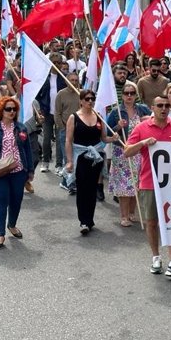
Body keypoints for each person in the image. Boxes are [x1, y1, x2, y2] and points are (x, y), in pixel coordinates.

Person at [124, 94, 171, 278]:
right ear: (152, 108)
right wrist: (143, 142)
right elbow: (127, 151)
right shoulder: (142, 127)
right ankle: (155, 257)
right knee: (151, 222)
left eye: (166, 105)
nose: (163, 108)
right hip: (149, 182)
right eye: (159, 105)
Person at [0, 97, 34, 249]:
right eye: (8, 109)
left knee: (16, 200)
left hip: (18, 171)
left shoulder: (21, 128)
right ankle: (0, 234)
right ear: (1, 111)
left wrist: (30, 171)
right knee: (1, 200)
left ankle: (12, 225)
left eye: (14, 109)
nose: (11, 112)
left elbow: (28, 150)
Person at [64, 89, 118, 235]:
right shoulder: (73, 117)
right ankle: (83, 221)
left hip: (96, 158)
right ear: (81, 101)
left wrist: (112, 138)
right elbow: (68, 140)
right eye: (87, 99)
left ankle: (90, 219)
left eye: (92, 99)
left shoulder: (99, 117)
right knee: (82, 189)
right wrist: (69, 161)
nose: (90, 101)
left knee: (92, 188)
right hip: (81, 157)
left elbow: (103, 138)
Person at [107, 82, 150, 227]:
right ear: (122, 95)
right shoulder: (116, 111)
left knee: (136, 185)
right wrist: (118, 126)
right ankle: (124, 216)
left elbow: (153, 123)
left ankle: (132, 213)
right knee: (124, 186)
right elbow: (107, 133)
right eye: (126, 93)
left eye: (132, 93)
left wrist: (148, 120)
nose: (129, 96)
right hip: (122, 153)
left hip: (139, 152)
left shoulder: (143, 109)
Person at [35, 53, 67, 172]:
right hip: (46, 112)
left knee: (60, 138)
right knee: (46, 138)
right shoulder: (43, 77)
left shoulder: (64, 78)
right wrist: (39, 110)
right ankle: (45, 161)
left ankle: (59, 164)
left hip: (60, 113)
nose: (57, 65)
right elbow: (37, 95)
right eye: (55, 62)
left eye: (59, 63)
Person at [54, 72, 81, 182]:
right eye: (72, 80)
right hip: (65, 130)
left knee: (77, 156)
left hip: (79, 130)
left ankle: (74, 180)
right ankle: (66, 181)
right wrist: (62, 127)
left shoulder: (81, 93)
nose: (74, 82)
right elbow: (57, 113)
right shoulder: (61, 94)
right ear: (66, 81)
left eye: (76, 80)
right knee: (67, 157)